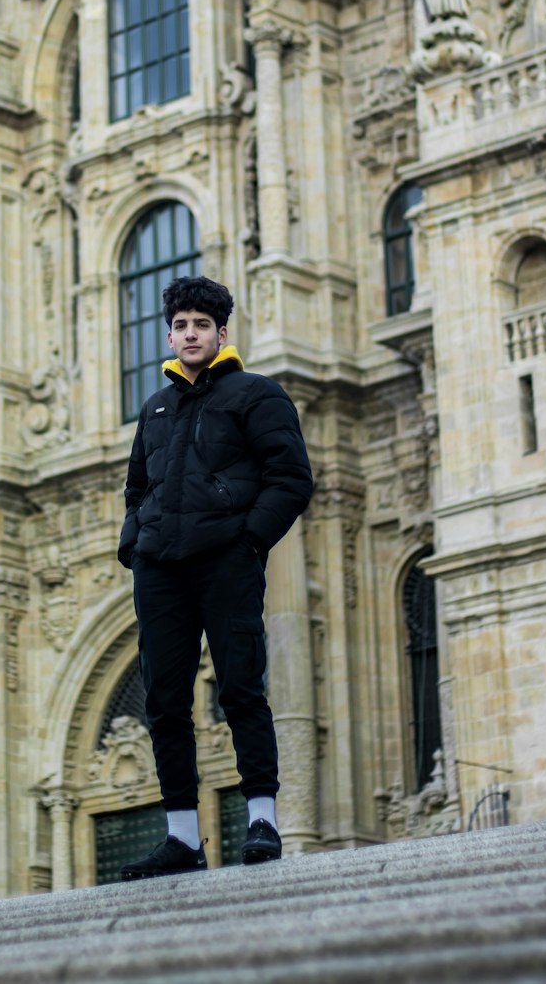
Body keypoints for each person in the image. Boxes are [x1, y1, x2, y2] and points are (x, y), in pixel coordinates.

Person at [117, 274, 313, 879]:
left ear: (221, 332)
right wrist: (136, 545)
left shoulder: (258, 394)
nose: (190, 334)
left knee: (240, 689)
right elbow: (137, 487)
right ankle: (181, 837)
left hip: (225, 561)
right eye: (180, 326)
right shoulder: (156, 407)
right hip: (160, 569)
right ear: (169, 335)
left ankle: (262, 820)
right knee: (165, 702)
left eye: (202, 324)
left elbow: (292, 478)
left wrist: (248, 542)